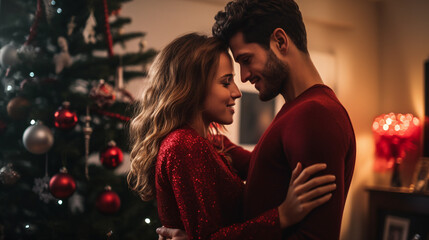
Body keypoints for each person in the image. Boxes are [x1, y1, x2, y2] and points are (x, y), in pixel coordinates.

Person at [158, 0, 356, 239]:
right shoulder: (297, 113)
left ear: (280, 42)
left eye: (246, 60)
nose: (243, 77)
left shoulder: (315, 114)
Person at [128, 33, 337, 239]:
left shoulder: (212, 141)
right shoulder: (183, 145)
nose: (237, 92)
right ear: (193, 88)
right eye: (226, 82)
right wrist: (282, 216)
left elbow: (259, 166)